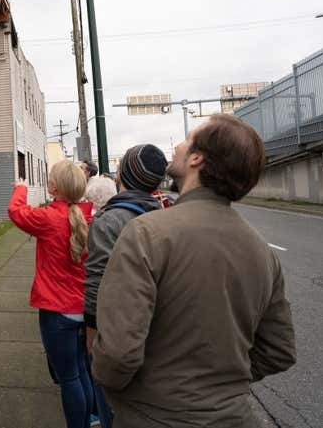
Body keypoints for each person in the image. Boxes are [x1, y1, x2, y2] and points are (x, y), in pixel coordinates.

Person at [92, 115, 296, 427]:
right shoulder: (262, 251)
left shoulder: (146, 233)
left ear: (197, 159)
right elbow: (279, 350)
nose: (177, 146)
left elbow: (118, 353)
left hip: (152, 415)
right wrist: (221, 386)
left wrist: (125, 387)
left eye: (187, 139)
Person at [84, 144, 168, 428]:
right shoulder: (167, 213)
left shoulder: (108, 221)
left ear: (123, 176)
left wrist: (92, 336)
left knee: (114, 408)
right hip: (161, 334)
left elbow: (97, 283)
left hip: (119, 334)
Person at [7, 160, 94, 428]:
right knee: (82, 372)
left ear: (53, 187)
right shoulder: (91, 218)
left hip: (57, 313)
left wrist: (20, 187)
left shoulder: (48, 219)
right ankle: (90, 419)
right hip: (85, 309)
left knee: (68, 377)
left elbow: (15, 211)